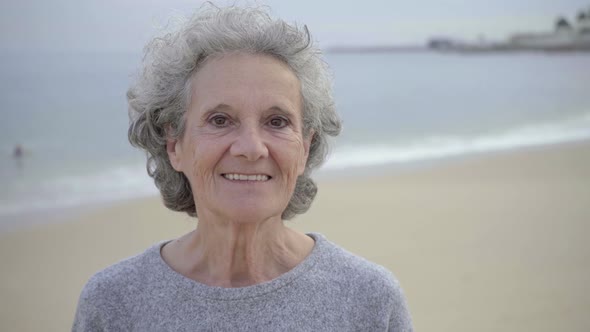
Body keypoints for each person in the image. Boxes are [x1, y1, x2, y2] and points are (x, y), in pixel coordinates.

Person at [73, 4, 412, 331]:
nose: (251, 148)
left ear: (305, 148)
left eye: (277, 121)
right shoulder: (112, 303)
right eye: (220, 120)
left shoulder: (370, 299)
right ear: (174, 144)